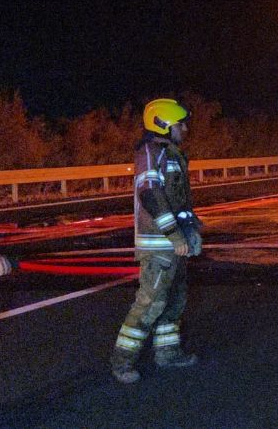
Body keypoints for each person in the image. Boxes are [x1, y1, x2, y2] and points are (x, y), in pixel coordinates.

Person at [111, 99, 203, 383]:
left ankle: (167, 352)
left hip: (177, 243)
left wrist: (191, 230)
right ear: (164, 124)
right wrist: (175, 235)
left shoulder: (172, 154)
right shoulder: (150, 152)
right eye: (180, 124)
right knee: (150, 303)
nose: (185, 129)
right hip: (159, 245)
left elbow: (178, 200)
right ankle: (122, 361)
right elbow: (150, 193)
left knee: (174, 301)